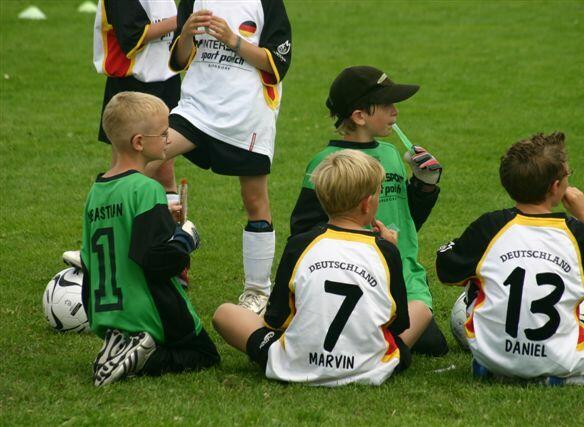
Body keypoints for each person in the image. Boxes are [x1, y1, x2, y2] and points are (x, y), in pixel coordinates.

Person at [436, 132, 584, 385]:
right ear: (555, 187)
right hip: (556, 357)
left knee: (476, 281)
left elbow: (446, 268)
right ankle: (558, 380)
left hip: (491, 354)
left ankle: (496, 368)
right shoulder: (577, 235)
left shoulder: (490, 226)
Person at [213, 150, 419, 386]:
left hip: (296, 364)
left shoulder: (300, 244)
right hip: (370, 368)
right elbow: (398, 323)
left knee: (224, 314)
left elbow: (276, 318)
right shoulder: (386, 251)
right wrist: (390, 248)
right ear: (366, 204)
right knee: (420, 309)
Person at [143, 0, 292, 314]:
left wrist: (232, 39)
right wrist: (186, 33)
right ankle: (122, 254)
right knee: (144, 159)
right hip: (197, 109)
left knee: (254, 199)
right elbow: (179, 60)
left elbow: (277, 64)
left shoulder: (267, 3)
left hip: (246, 115)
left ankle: (257, 291)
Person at [289, 66, 448, 356]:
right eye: (386, 105)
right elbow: (303, 231)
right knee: (407, 342)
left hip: (402, 275)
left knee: (434, 346)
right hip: (355, 275)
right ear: (360, 116)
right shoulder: (326, 163)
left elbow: (406, 220)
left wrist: (424, 186)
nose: (395, 111)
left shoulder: (391, 155)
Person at [80, 92, 220, 387]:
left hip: (106, 312)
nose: (169, 139)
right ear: (139, 142)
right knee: (203, 354)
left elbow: (92, 254)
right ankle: (145, 355)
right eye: (164, 133)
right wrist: (185, 238)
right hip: (147, 310)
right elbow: (158, 261)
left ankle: (121, 343)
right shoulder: (147, 189)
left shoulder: (97, 191)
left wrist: (160, 217)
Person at [93, 0, 180, 193]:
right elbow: (133, 35)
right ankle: (118, 208)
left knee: (164, 170)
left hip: (167, 78)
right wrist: (183, 18)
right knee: (128, 166)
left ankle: (167, 212)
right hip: (132, 82)